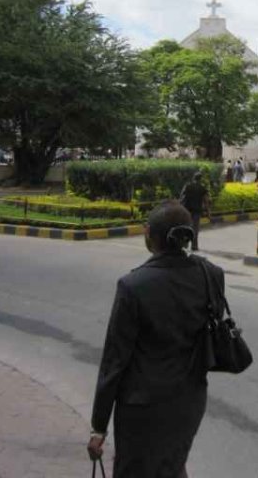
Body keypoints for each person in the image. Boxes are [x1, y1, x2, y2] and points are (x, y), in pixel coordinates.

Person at [88, 201, 221, 477]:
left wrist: (98, 427)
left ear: (149, 232)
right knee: (172, 466)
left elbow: (114, 361)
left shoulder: (133, 286)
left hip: (143, 408)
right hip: (190, 402)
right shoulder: (212, 275)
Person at [178, 172, 211, 252]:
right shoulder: (202, 188)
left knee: (186, 226)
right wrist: (208, 212)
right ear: (200, 179)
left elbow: (181, 197)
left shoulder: (187, 186)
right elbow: (206, 200)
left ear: (193, 178)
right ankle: (194, 246)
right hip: (196, 211)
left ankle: (184, 243)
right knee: (195, 229)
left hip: (186, 210)